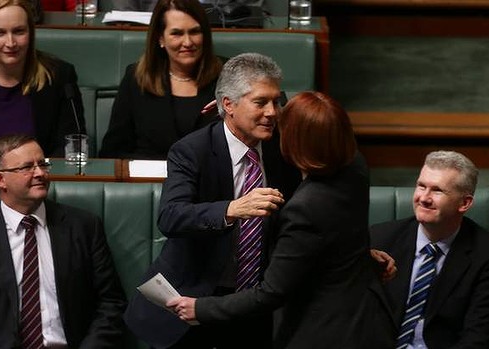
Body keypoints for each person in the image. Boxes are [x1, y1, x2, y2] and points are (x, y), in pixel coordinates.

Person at [166, 91, 394, 349]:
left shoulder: (305, 208)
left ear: (295, 142)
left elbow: (271, 292)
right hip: (366, 319)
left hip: (322, 331)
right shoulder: (355, 165)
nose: (274, 118)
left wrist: (201, 308)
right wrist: (232, 104)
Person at [123, 53, 301, 349]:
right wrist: (231, 209)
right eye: (260, 102)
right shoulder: (191, 151)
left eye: (276, 101)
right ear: (228, 105)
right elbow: (171, 216)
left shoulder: (284, 149)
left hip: (256, 302)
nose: (272, 112)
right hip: (195, 298)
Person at [0, 135, 127, 348]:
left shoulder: (83, 227)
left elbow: (111, 303)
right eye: (27, 167)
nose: (40, 173)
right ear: (0, 179)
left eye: (43, 164)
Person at [370, 150, 489, 348]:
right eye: (421, 186)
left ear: (464, 203)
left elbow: (479, 337)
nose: (424, 198)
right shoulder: (380, 239)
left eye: (437, 190)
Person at [99, 0, 223, 159]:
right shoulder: (136, 77)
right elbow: (113, 151)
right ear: (160, 39)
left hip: (209, 181)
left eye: (194, 32)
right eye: (176, 33)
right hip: (147, 180)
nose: (188, 42)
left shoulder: (227, 75)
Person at [0, 0, 85, 157]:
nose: (10, 43)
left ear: (31, 32)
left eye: (19, 31)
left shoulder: (58, 76)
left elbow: (69, 146)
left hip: (40, 176)